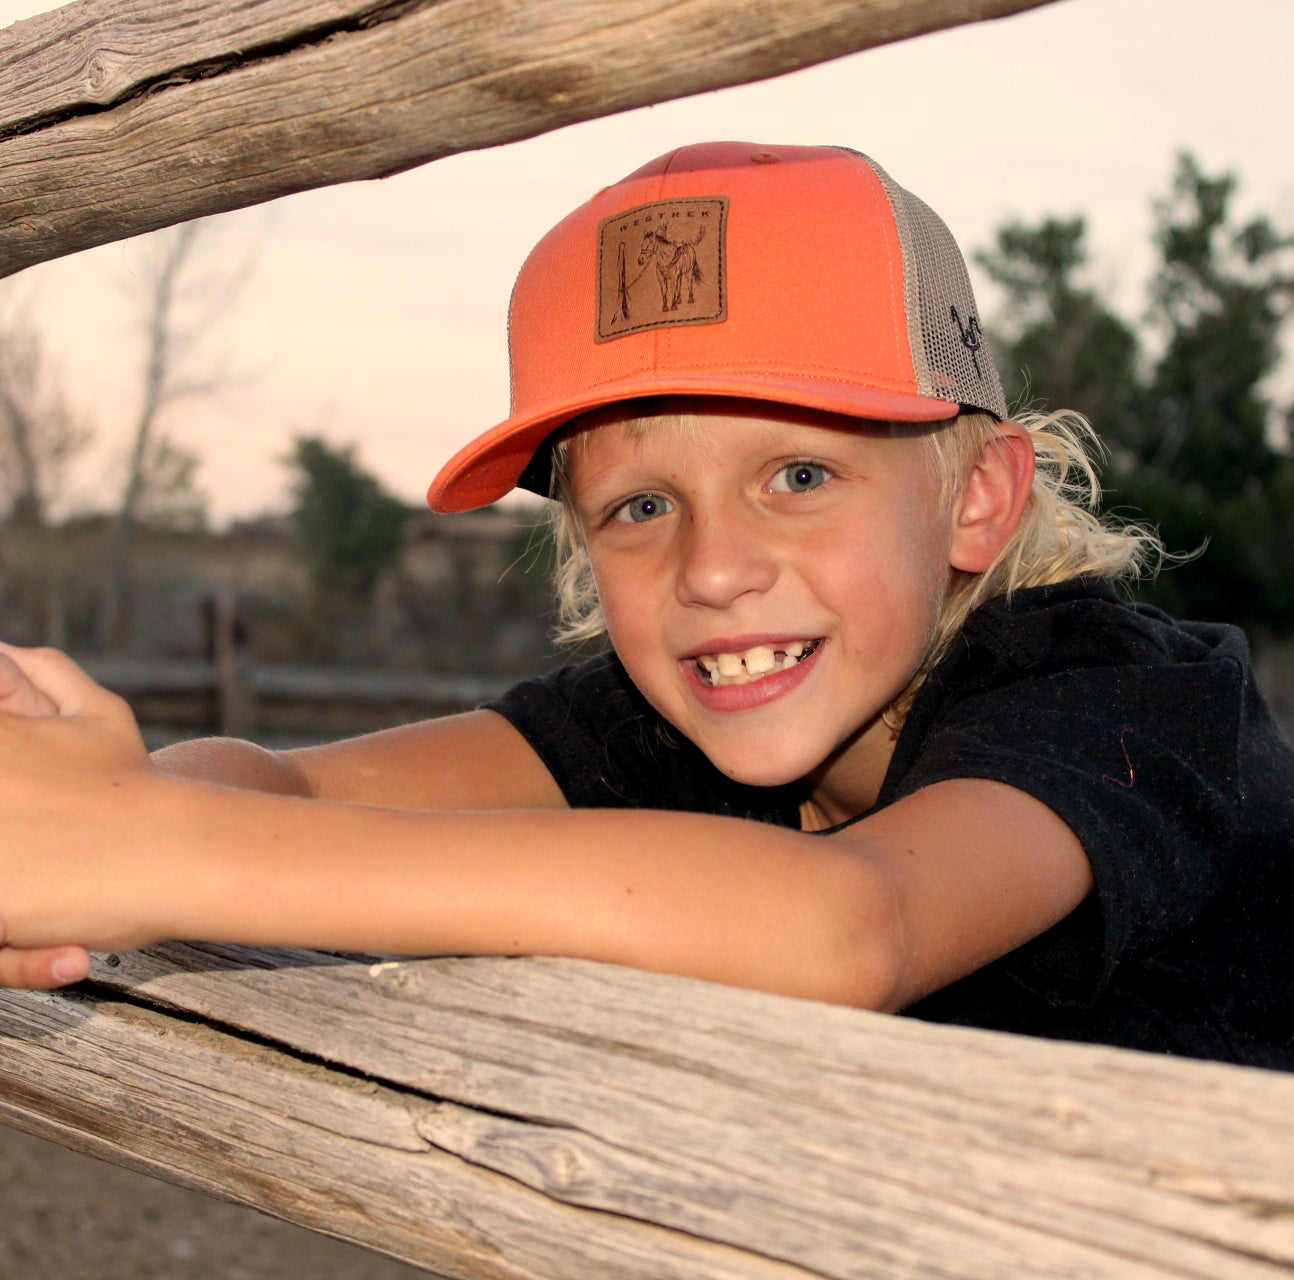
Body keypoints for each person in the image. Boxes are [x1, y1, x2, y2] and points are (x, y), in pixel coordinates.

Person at [1, 142, 1290, 1070]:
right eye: (640, 508)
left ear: (977, 498)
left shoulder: (1127, 697)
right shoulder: (669, 717)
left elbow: (851, 925)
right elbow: (292, 792)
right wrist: (98, 821)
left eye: (799, 475)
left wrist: (142, 850)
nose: (713, 569)